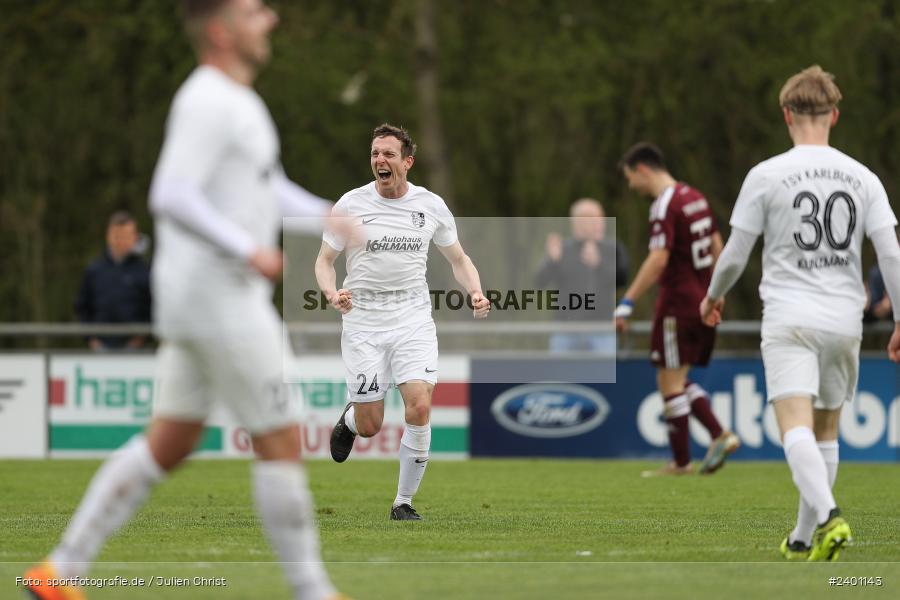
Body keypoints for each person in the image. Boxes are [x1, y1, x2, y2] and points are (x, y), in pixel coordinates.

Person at [25, 2, 343, 599]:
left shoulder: (238, 102)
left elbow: (265, 186)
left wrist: (327, 214)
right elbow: (170, 193)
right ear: (222, 32)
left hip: (197, 299)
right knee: (279, 435)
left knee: (170, 440)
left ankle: (59, 572)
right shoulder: (207, 100)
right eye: (254, 12)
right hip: (220, 296)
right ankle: (314, 592)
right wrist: (248, 250)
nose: (270, 20)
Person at [700, 65, 900, 562]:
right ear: (834, 114)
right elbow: (891, 254)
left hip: (789, 315)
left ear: (786, 114)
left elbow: (735, 254)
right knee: (826, 429)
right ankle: (802, 538)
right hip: (843, 319)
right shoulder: (864, 177)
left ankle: (830, 517)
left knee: (794, 426)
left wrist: (712, 295)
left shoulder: (766, 174)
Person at [316, 123, 490, 521]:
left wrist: (475, 292)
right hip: (363, 323)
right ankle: (350, 419)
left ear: (407, 162)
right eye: (376, 153)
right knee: (371, 424)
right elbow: (325, 261)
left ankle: (403, 503)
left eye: (389, 154)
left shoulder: (430, 205)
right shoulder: (351, 205)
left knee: (420, 405)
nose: (380, 160)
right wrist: (331, 294)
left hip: (412, 319)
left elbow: (459, 259)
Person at [614, 142, 740, 477]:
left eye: (630, 178)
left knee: (669, 381)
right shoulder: (694, 196)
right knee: (677, 379)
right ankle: (715, 437)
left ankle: (686, 459)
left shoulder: (665, 204)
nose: (631, 186)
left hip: (677, 304)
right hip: (702, 300)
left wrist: (626, 302)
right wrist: (717, 290)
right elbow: (718, 246)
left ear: (642, 169)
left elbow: (658, 258)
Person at [536, 198, 628, 354]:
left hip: (602, 329)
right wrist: (552, 261)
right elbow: (539, 282)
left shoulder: (612, 248)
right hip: (566, 329)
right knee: (562, 376)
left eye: (598, 217)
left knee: (600, 376)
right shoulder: (563, 248)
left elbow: (623, 279)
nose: (596, 222)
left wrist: (599, 264)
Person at [74, 210, 152, 350]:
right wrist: (91, 339)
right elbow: (82, 308)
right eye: (117, 235)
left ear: (134, 237)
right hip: (101, 348)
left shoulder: (145, 270)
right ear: (109, 236)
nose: (121, 240)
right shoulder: (94, 270)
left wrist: (141, 338)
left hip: (135, 350)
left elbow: (152, 308)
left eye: (126, 236)